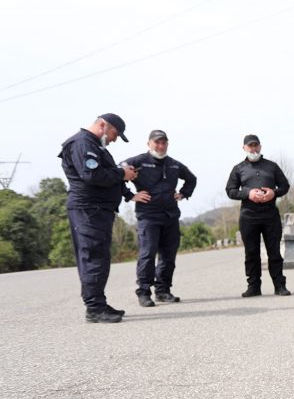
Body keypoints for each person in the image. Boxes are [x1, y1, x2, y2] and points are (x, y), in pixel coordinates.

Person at [58, 113, 138, 323]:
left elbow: (105, 173)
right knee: (93, 257)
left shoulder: (95, 146)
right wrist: (122, 174)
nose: (115, 139)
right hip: (88, 209)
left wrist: (121, 175)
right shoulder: (83, 143)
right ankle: (94, 308)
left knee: (99, 257)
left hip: (98, 210)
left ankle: (98, 303)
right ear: (103, 125)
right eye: (115, 133)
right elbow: (92, 175)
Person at [121, 130, 198, 307]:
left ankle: (163, 291)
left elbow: (192, 179)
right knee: (147, 254)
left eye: (164, 143)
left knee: (168, 255)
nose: (161, 146)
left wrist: (184, 193)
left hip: (170, 215)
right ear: (149, 143)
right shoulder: (137, 162)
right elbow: (117, 174)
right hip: (148, 216)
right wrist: (130, 195)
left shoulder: (173, 164)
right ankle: (144, 292)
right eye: (157, 142)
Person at [225, 134, 291, 297]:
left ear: (260, 147)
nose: (253, 148)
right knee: (251, 252)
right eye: (250, 146)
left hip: (270, 216)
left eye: (255, 145)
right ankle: (253, 286)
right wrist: (248, 193)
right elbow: (230, 191)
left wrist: (273, 193)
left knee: (274, 252)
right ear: (244, 148)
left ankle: (279, 286)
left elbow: (285, 186)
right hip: (248, 216)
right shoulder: (238, 168)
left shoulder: (272, 166)